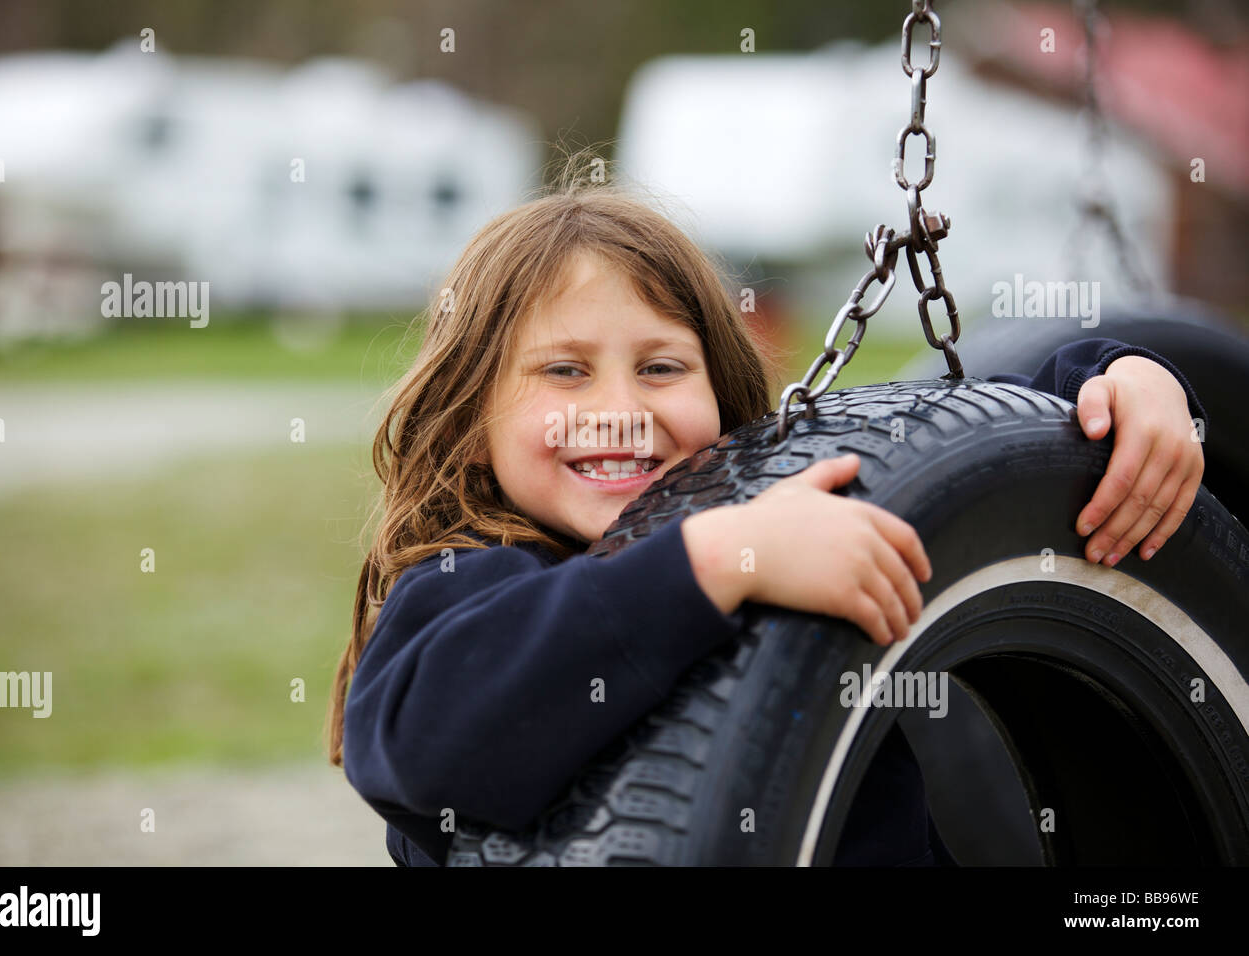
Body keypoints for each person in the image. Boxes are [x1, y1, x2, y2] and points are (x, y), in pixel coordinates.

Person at [325, 160, 1207, 866]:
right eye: (565, 371)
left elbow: (960, 447)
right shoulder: (470, 584)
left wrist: (1120, 381)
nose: (621, 407)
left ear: (724, 399)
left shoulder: (788, 510)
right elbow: (422, 744)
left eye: (662, 368)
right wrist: (710, 563)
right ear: (472, 426)